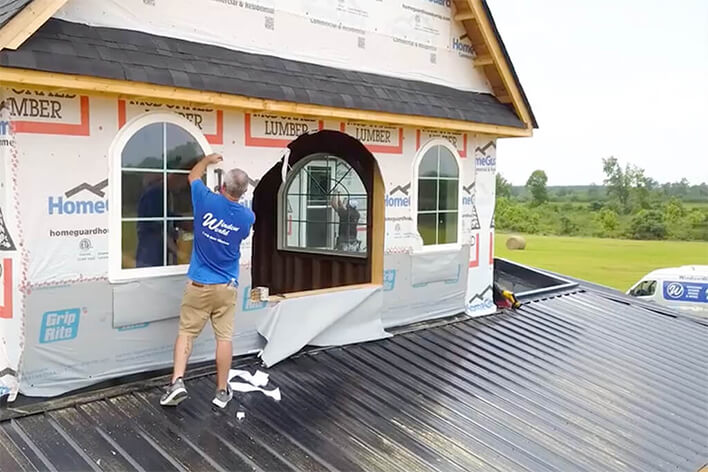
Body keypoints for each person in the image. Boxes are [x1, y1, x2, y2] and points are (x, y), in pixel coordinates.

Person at [160, 153, 255, 409]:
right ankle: (222, 391)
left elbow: (192, 176)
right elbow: (238, 228)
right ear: (243, 192)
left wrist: (207, 159)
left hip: (199, 284)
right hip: (226, 287)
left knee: (187, 332)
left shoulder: (205, 200)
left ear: (222, 186)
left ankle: (177, 382)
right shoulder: (247, 218)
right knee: (224, 338)